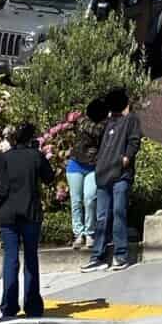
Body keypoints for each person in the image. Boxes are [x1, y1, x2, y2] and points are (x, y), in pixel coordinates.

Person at [0, 121, 54, 320]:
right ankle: (32, 304)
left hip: (7, 213)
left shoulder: (4, 158)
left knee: (10, 259)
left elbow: (0, 186)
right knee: (31, 258)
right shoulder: (35, 156)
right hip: (30, 212)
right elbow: (49, 178)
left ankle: (9, 305)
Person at [82, 87, 141, 271]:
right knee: (102, 217)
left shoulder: (131, 120)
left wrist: (126, 158)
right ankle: (97, 256)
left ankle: (120, 255)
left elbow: (134, 141)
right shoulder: (107, 123)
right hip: (103, 175)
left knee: (118, 213)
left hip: (121, 176)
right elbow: (91, 125)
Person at [65, 97, 108, 250]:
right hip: (75, 164)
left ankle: (90, 232)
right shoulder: (84, 122)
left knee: (89, 198)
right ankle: (78, 233)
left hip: (93, 166)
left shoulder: (101, 124)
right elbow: (95, 131)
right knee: (76, 201)